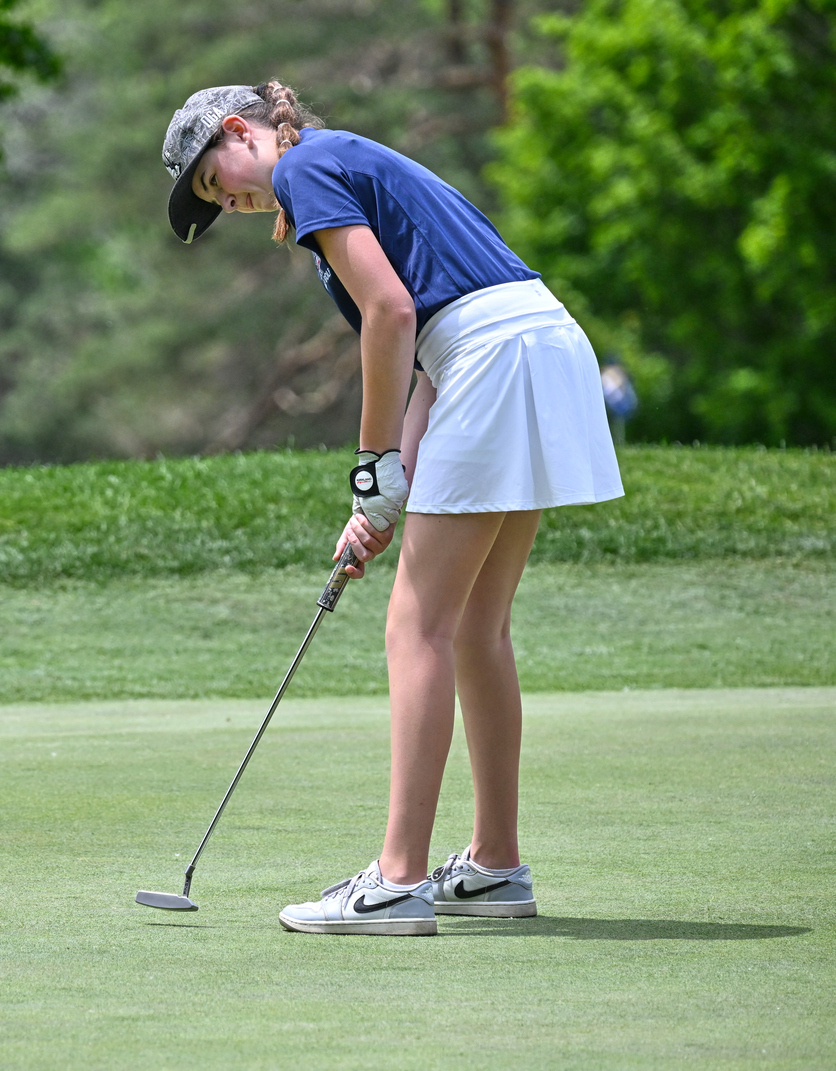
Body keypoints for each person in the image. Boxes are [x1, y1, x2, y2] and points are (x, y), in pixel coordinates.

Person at [162, 83, 623, 935]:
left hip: (491, 351)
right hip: (536, 341)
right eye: (216, 202)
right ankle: (494, 866)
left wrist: (372, 463)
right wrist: (382, 494)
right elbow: (424, 356)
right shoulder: (343, 163)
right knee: (477, 625)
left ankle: (397, 880)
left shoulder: (304, 164)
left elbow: (391, 310)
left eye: (214, 181)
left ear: (239, 129)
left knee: (418, 627)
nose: (227, 201)